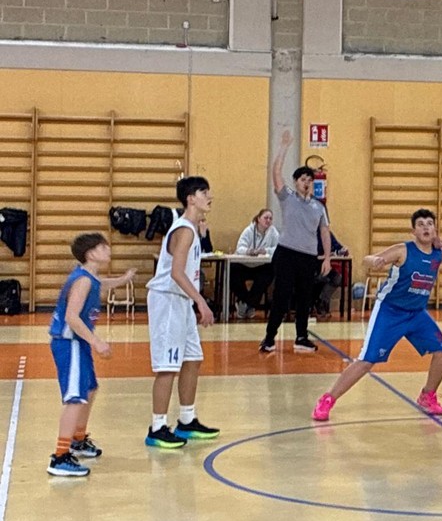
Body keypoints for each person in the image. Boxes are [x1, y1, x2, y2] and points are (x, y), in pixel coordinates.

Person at [311, 209, 442, 421]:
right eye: (421, 224)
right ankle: (328, 399)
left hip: (416, 314)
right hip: (390, 311)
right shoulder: (403, 250)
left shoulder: (440, 254)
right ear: (413, 231)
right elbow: (367, 259)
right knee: (366, 361)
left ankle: (427, 396)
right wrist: (375, 262)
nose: (426, 227)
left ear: (435, 230)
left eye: (429, 223)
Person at [47, 233, 135, 476]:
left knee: (90, 389)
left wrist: (122, 279)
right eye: (102, 246)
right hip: (69, 343)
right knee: (75, 398)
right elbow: (71, 317)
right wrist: (96, 341)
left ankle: (77, 439)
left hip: (78, 343)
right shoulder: (83, 281)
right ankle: (60, 457)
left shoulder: (89, 276)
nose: (108, 249)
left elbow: (101, 284)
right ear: (90, 253)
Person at [145, 176, 220, 449]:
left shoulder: (193, 228)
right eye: (204, 192)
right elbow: (176, 273)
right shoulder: (185, 230)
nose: (209, 196)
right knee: (167, 366)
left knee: (193, 358)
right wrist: (201, 301)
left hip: (181, 301)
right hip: (168, 300)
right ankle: (157, 427)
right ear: (191, 198)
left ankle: (187, 419)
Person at [260, 129, 332, 354]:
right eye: (303, 179)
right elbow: (276, 172)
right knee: (281, 297)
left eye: (310, 180)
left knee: (305, 298)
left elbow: (325, 232)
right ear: (296, 181)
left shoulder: (319, 206)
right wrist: (284, 146)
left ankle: (301, 337)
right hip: (286, 254)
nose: (306, 183)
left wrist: (327, 258)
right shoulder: (287, 197)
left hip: (308, 257)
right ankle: (269, 338)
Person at [232, 208, 278, 319]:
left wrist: (266, 251)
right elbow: (240, 248)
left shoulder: (273, 232)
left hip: (261, 266)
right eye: (266, 218)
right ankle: (246, 302)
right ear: (258, 219)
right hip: (245, 265)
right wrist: (249, 251)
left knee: (269, 273)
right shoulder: (248, 231)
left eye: (270, 218)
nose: (268, 220)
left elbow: (278, 249)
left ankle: (247, 304)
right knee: (232, 271)